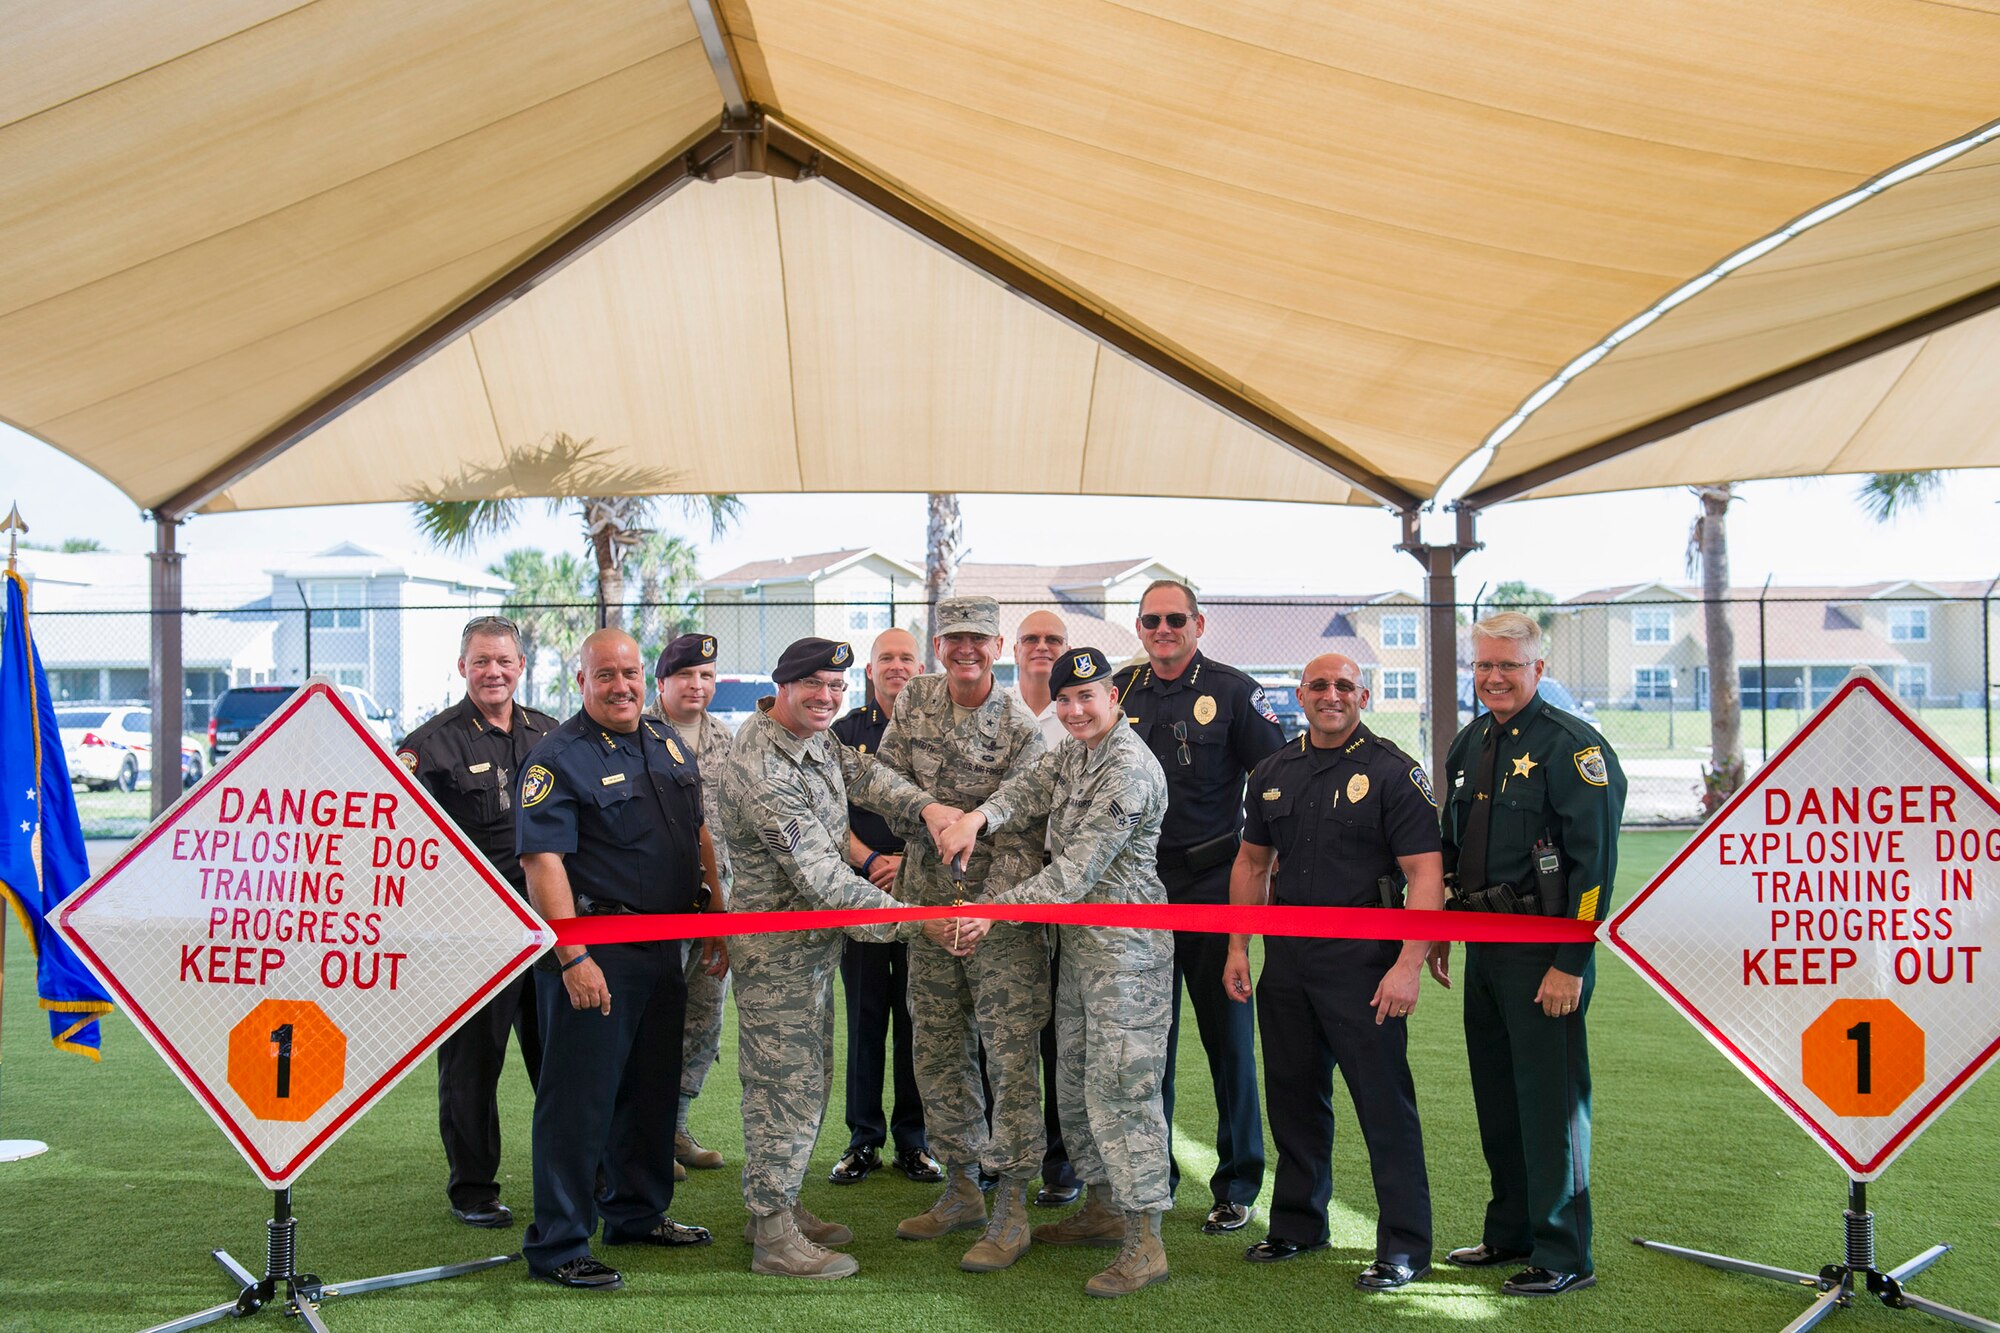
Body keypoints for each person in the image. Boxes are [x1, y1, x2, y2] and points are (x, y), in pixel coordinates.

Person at [715, 636, 973, 1280]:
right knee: (783, 1086)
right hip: (777, 955)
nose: (827, 698)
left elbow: (862, 774)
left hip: (806, 951)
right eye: (813, 687)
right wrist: (921, 923)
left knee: (806, 1078)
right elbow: (821, 878)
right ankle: (772, 1234)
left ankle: (777, 1204)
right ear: (783, 687)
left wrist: (927, 806)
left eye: (835, 687)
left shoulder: (812, 742)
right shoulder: (761, 765)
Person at [936, 646, 1174, 1299]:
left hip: (1127, 950)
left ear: (1113, 698)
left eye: (1086, 697)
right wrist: (980, 816)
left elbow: (1075, 875)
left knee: (1123, 1086)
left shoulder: (1128, 768)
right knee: (1075, 1080)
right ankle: (1101, 1206)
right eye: (1064, 699)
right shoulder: (1075, 753)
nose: (1072, 710)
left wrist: (990, 910)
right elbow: (1028, 787)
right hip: (1083, 949)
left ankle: (1145, 1237)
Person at [1221, 653, 1446, 1290]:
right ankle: (1298, 1223)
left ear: (1363, 696)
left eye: (1344, 685)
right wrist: (1239, 947)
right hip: (1288, 960)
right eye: (1318, 685)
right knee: (1292, 1095)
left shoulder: (1394, 772)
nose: (1331, 695)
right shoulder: (1272, 771)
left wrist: (1408, 964)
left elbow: (1425, 875)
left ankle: (1404, 1245)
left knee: (1383, 1104)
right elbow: (1250, 863)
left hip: (1364, 962)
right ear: (1301, 693)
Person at [515, 629, 724, 1291]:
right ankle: (558, 1244)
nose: (621, 685)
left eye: (630, 672)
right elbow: (541, 861)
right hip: (595, 950)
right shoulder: (558, 757)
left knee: (649, 1090)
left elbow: (697, 833)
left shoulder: (664, 743)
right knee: (578, 1102)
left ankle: (636, 1212)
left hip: (666, 947)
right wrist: (573, 955)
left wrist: (715, 911)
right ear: (582, 681)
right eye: (605, 674)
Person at [1435, 611, 1627, 1298]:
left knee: (1550, 1102)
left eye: (1508, 666)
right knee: (1499, 1097)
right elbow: (1452, 847)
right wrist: (1441, 930)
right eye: (1484, 664)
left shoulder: (1573, 747)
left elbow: (1593, 866)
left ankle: (1565, 1251)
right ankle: (1511, 1228)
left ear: (1537, 670)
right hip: (1486, 945)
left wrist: (1571, 960)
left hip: (1546, 948)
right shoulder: (1469, 743)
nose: (1494, 676)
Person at [865, 596, 1051, 1273]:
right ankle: (963, 1186)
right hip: (927, 907)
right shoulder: (913, 701)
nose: (965, 649)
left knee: (1008, 1057)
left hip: (996, 916)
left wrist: (987, 911)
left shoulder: (1022, 725)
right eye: (953, 639)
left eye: (977, 638)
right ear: (937, 645)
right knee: (937, 1047)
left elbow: (1029, 824)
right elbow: (882, 782)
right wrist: (931, 812)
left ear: (997, 644)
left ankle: (1013, 1205)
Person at [1113, 579, 1284, 1233]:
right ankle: (1152, 1176)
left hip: (1214, 888)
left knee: (1230, 1046)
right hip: (1138, 892)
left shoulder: (1236, 693)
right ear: (1139, 625)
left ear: (1199, 623)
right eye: (1152, 619)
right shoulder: (1120, 691)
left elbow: (1274, 781)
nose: (1163, 628)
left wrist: (1270, 875)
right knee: (1147, 1046)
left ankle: (1238, 1182)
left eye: (1175, 618)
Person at [397, 614, 555, 1229]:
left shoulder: (549, 734)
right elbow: (403, 842)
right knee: (471, 1067)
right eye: (481, 661)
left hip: (547, 926)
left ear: (521, 667)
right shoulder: (428, 747)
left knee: (560, 1058)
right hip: (470, 934)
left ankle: (579, 1174)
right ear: (462, 668)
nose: (494, 671)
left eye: (504, 661)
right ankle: (474, 1191)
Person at [828, 627, 940, 1186]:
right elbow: (829, 817)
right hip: (863, 893)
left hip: (925, 896)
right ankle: (863, 1138)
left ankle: (914, 1141)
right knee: (867, 1017)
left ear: (922, 669)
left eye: (907, 658)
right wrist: (872, 862)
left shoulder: (938, 733)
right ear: (869, 671)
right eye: (886, 659)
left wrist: (912, 868)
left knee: (919, 1018)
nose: (897, 667)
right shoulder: (843, 734)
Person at [647, 632, 735, 1179]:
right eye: (686, 677)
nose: (697, 685)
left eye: (706, 676)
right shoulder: (636, 732)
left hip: (717, 898)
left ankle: (676, 1125)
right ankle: (646, 1133)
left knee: (703, 1016)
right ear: (663, 683)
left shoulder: (726, 738)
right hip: (658, 900)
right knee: (655, 1015)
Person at [1008, 608, 1080, 1207]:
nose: (1041, 647)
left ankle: (1062, 1162)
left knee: (1063, 1036)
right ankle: (999, 1159)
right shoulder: (998, 712)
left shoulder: (1081, 719)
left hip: (1065, 901)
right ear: (1013, 648)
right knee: (1002, 1034)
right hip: (1002, 897)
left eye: (1052, 639)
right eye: (1031, 638)